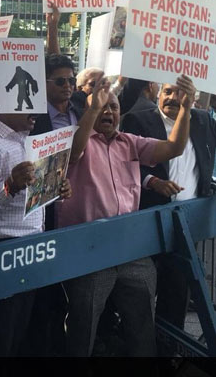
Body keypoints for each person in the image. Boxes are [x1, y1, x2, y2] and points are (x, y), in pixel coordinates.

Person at [60, 74, 195, 357]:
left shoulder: (130, 142)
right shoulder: (76, 139)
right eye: (101, 108)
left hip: (130, 250)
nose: (108, 112)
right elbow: (73, 153)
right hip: (90, 252)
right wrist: (94, 107)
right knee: (83, 328)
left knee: (141, 324)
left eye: (114, 108)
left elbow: (174, 148)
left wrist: (185, 109)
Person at [0, 110, 72, 356]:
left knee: (18, 339)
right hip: (0, 254)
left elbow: (32, 200)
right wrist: (9, 187)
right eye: (27, 102)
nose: (36, 111)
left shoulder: (27, 140)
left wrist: (56, 189)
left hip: (29, 252)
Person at [121, 81, 216, 333]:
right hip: (148, 220)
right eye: (167, 91)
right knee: (139, 292)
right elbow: (124, 162)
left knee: (177, 291)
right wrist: (151, 181)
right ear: (157, 92)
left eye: (180, 92)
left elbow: (207, 157)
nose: (172, 97)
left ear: (193, 97)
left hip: (188, 222)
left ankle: (169, 352)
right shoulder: (138, 120)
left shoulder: (204, 120)